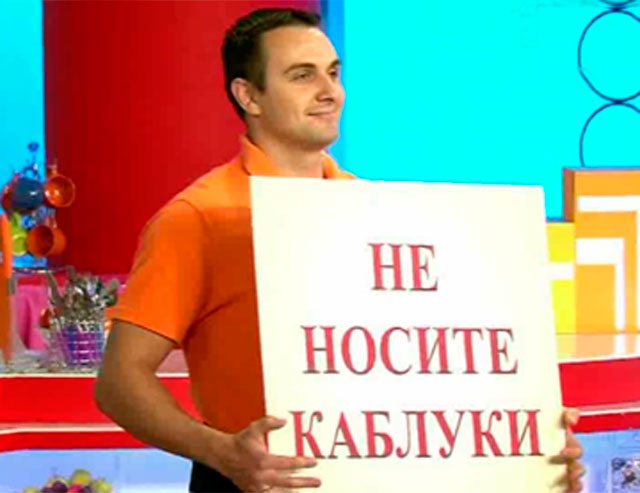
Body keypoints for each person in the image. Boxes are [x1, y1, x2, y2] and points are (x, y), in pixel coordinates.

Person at [95, 7, 585, 493]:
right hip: (253, 482)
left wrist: (526, 447)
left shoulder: (375, 207)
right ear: (249, 96)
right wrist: (223, 453)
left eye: (333, 73)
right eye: (302, 76)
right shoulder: (199, 217)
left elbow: (425, 364)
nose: (329, 92)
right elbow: (119, 382)